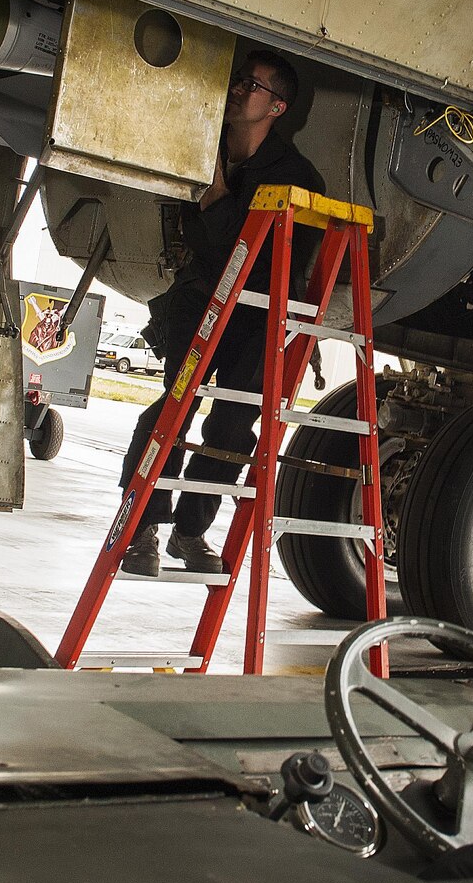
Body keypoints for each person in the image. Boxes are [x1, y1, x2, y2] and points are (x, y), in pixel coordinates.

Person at [117, 49, 324, 576]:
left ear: (277, 107)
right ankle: (141, 525)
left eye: (249, 85)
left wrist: (214, 197)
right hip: (202, 305)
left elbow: (261, 261)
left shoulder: (299, 179)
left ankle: (189, 532)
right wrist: (211, 192)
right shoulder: (205, 152)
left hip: (255, 319)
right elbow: (202, 244)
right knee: (173, 412)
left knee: (232, 429)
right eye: (235, 81)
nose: (235, 90)